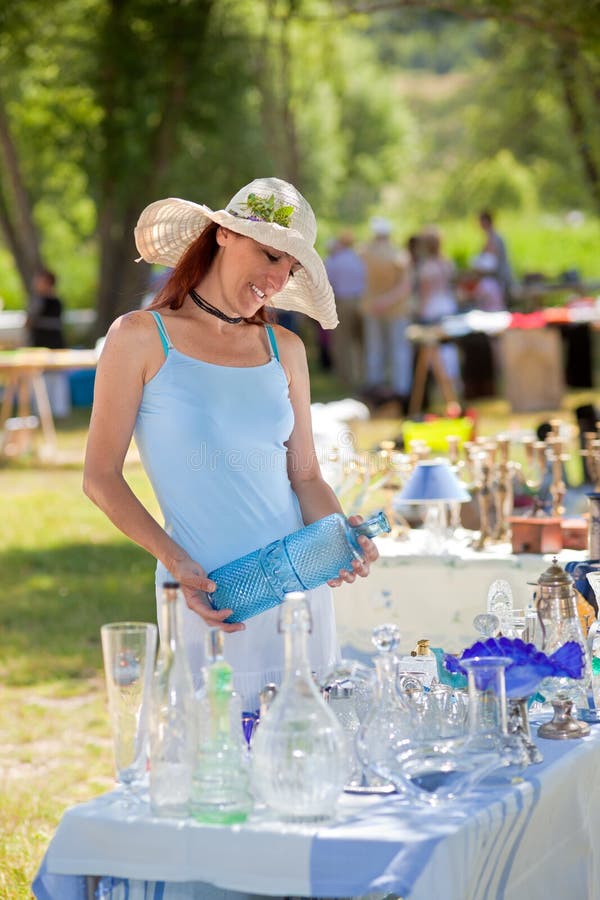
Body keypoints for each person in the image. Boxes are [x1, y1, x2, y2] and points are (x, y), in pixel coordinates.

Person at [83, 177, 379, 713]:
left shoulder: (284, 348)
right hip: (210, 597)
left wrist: (340, 536)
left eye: (288, 267)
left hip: (298, 599)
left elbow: (306, 477)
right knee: (209, 772)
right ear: (222, 234)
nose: (275, 277)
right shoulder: (141, 336)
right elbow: (100, 477)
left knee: (302, 769)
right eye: (269, 254)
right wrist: (176, 563)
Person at [360, 217, 413, 411]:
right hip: (394, 308)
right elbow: (405, 286)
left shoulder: (365, 252)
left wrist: (380, 301)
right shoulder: (398, 254)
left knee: (376, 350)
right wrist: (387, 300)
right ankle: (400, 391)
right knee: (398, 349)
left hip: (373, 307)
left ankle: (377, 390)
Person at [325, 230, 366, 388]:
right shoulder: (358, 259)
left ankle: (346, 377)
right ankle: (361, 375)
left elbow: (328, 285)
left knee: (343, 342)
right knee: (359, 342)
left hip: (342, 302)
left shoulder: (334, 261)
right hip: (360, 301)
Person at [478, 210, 513, 306]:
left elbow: (492, 262)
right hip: (497, 277)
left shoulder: (494, 238)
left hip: (499, 278)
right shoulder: (491, 236)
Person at [26, 268, 65, 349]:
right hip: (41, 342)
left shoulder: (40, 301)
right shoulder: (55, 300)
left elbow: (30, 321)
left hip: (50, 342)